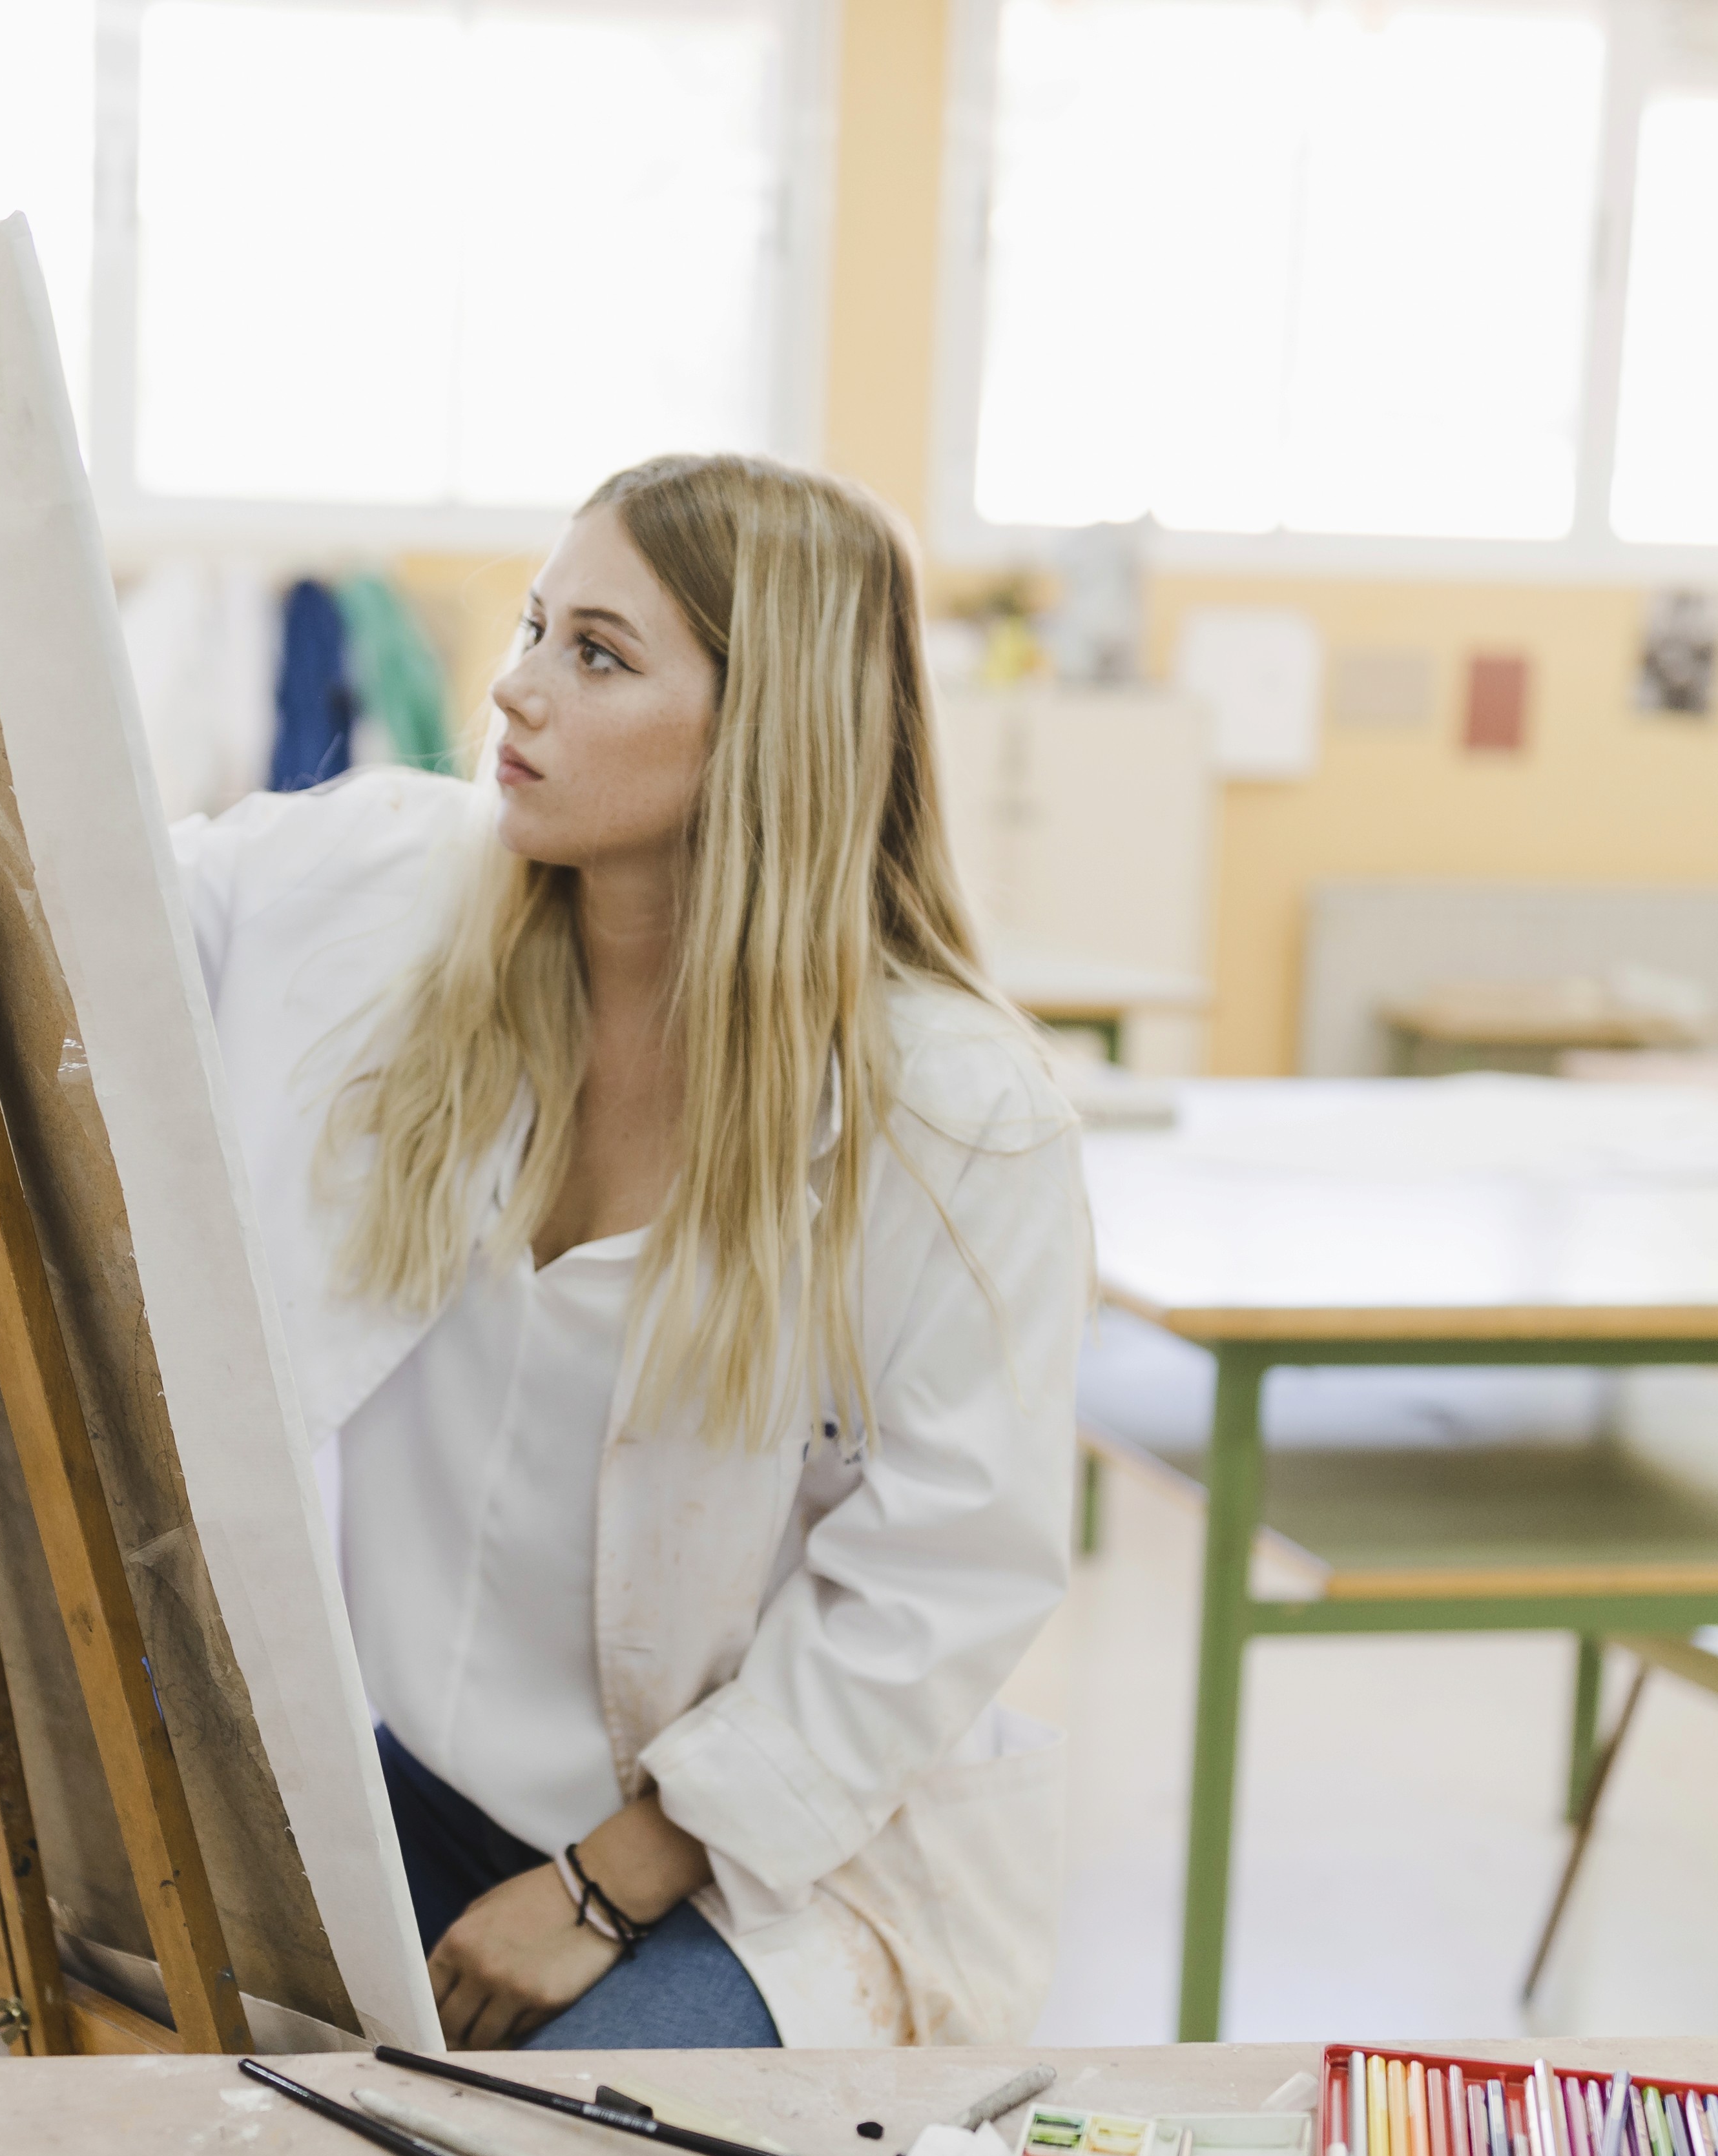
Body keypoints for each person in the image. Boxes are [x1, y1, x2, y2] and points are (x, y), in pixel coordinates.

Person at [179, 452, 1089, 2055]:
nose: (516, 692)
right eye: (534, 629)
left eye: (598, 655)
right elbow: (121, 900)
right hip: (429, 1786)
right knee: (113, 2027)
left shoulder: (953, 1115)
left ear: (769, 728)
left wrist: (605, 1886)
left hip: (768, 1859)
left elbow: (943, 1579)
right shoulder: (412, 907)